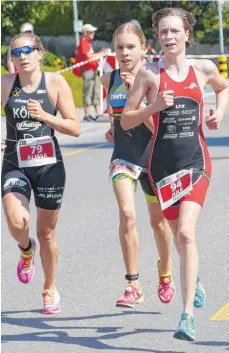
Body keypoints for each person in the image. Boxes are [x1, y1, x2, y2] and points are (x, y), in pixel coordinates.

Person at [121, 8, 229, 341]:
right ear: (158, 36)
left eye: (175, 31)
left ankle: (186, 317)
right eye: (163, 31)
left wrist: (219, 114)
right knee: (179, 240)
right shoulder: (149, 75)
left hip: (196, 163)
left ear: (186, 34)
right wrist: (153, 107)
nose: (169, 36)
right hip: (162, 169)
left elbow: (223, 89)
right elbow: (126, 120)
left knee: (184, 233)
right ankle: (192, 277)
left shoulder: (204, 69)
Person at [1, 32, 81, 314]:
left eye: (27, 50)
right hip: (15, 163)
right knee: (16, 220)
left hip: (49, 166)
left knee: (46, 233)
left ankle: (49, 288)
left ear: (39, 53)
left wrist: (45, 116)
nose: (21, 56)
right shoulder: (6, 84)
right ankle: (25, 250)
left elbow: (75, 126)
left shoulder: (55, 82)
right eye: (15, 52)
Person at [101, 22, 176, 308]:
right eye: (119, 47)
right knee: (127, 214)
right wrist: (112, 128)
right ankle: (133, 284)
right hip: (123, 156)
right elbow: (114, 112)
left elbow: (157, 127)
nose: (124, 53)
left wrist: (140, 99)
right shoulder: (108, 79)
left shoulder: (155, 78)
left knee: (159, 224)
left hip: (153, 159)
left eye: (130, 47)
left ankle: (165, 270)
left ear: (143, 49)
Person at [77, 24, 110, 122]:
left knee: (95, 90)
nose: (93, 34)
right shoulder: (83, 42)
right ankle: (87, 113)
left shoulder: (88, 43)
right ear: (85, 33)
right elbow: (88, 56)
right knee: (88, 90)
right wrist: (101, 53)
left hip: (93, 70)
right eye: (91, 32)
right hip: (88, 71)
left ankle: (98, 112)